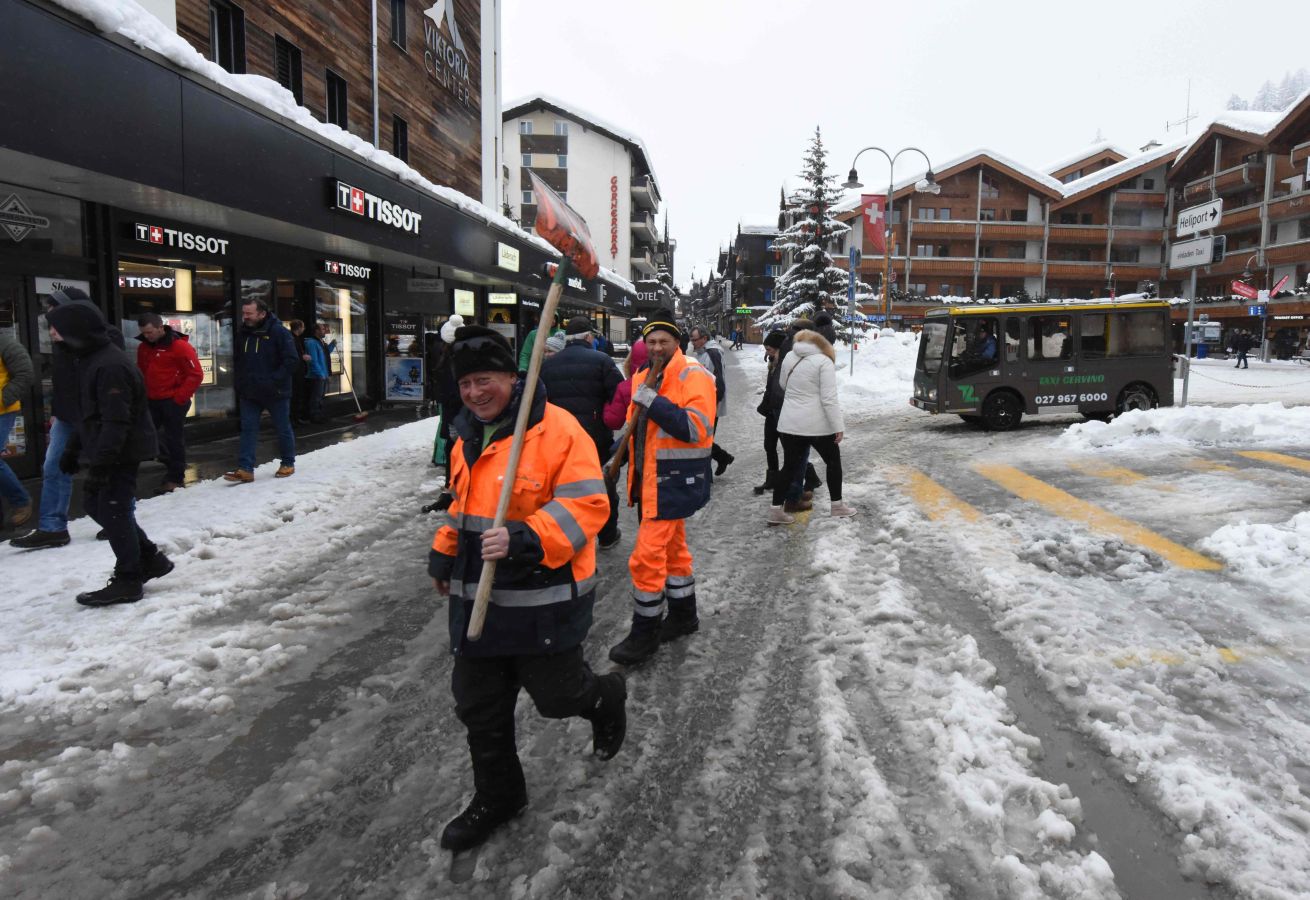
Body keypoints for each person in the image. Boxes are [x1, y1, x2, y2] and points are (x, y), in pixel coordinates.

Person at [429, 325, 625, 852]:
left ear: (512, 379)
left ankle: (605, 698)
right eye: (466, 383)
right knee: (478, 707)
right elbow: (461, 505)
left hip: (545, 599)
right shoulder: (466, 433)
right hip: (480, 603)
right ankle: (499, 795)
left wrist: (526, 536)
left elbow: (589, 505)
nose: (475, 392)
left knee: (559, 698)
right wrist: (446, 547)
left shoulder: (558, 432)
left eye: (485, 379)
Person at [45, 300, 173, 605]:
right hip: (107, 446)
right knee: (96, 505)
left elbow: (117, 421)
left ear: (74, 330)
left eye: (57, 328)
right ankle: (150, 558)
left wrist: (101, 466)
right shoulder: (88, 359)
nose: (52, 333)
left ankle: (129, 579)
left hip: (121, 450)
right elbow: (87, 413)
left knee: (113, 508)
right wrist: (73, 449)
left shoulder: (110, 365)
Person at [608, 311, 717, 665]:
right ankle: (685, 616)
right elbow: (635, 429)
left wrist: (652, 402)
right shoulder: (642, 375)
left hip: (674, 480)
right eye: (651, 341)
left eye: (663, 342)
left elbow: (695, 427)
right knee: (674, 552)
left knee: (646, 558)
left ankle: (645, 632)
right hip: (650, 480)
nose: (656, 347)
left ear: (677, 343)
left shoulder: (692, 373)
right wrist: (616, 458)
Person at [12, 288, 108, 549]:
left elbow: (108, 383)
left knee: (107, 467)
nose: (51, 322)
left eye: (54, 312)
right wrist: (55, 413)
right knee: (53, 467)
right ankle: (53, 527)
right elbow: (62, 383)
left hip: (96, 417)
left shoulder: (103, 337)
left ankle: (117, 518)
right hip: (67, 416)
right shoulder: (61, 341)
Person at [541, 316, 624, 549]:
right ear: (588, 337)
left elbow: (540, 401)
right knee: (601, 485)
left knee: (565, 490)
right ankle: (607, 535)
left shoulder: (547, 365)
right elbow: (618, 395)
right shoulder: (602, 361)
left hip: (559, 437)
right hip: (595, 436)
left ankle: (573, 539)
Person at [769, 329, 856, 524]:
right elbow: (828, 398)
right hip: (817, 425)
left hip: (790, 423)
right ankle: (837, 506)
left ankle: (775, 510)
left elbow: (783, 384)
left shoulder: (790, 356)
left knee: (789, 467)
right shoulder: (823, 361)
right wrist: (837, 425)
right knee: (833, 462)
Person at [224, 298, 298, 483]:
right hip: (249, 391)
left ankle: (288, 463)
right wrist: (240, 383)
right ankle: (245, 468)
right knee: (248, 429)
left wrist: (273, 381)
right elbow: (239, 360)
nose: (245, 317)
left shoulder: (279, 333)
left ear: (262, 314)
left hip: (276, 392)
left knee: (282, 428)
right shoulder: (243, 333)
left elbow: (291, 361)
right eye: (244, 313)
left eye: (249, 313)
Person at [135, 313, 204, 493]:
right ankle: (168, 460)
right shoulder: (144, 347)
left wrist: (179, 398)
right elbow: (142, 371)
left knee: (174, 438)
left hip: (172, 400)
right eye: (144, 333)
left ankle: (175, 475)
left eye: (150, 332)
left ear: (160, 328)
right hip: (152, 399)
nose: (147, 336)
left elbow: (195, 374)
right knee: (146, 433)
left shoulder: (179, 347)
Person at [688, 326, 734, 477]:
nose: (692, 342)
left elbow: (718, 381)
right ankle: (722, 458)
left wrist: (713, 402)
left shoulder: (712, 353)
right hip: (702, 402)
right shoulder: (702, 353)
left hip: (709, 403)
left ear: (704, 339)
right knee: (702, 438)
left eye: (694, 339)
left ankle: (707, 471)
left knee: (704, 439)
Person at [0, 332, 34, 530]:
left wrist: (3, 399)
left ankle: (20, 501)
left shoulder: (4, 342)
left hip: (2, 411)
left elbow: (25, 373)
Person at [753, 329, 788, 496]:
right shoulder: (773, 363)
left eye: (769, 349)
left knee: (791, 449)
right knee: (769, 445)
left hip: (783, 412)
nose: (767, 353)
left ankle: (809, 478)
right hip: (772, 412)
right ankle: (772, 479)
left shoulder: (786, 364)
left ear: (779, 348)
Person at [302, 322, 334, 424]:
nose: (324, 331)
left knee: (320, 396)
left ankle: (319, 414)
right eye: (322, 329)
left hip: (322, 373)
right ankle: (314, 416)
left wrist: (332, 345)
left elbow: (325, 354)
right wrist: (321, 374)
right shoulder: (311, 343)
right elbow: (314, 361)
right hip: (316, 375)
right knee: (316, 397)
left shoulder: (321, 342)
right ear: (316, 331)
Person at [287, 319, 310, 424]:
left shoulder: (296, 339)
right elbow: (291, 355)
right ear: (299, 327)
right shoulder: (292, 339)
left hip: (298, 371)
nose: (304, 329)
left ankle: (295, 418)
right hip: (295, 372)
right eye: (303, 327)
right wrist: (302, 357)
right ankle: (293, 419)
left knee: (297, 395)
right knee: (294, 395)